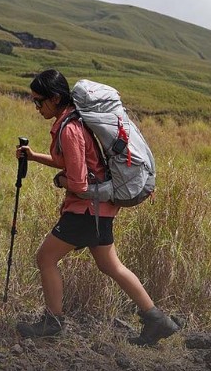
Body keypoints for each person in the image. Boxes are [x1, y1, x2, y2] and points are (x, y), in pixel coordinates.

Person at [15, 69, 179, 345]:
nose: (36, 107)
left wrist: (59, 181)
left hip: (85, 210)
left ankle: (53, 322)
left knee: (45, 258)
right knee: (110, 265)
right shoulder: (73, 122)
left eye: (38, 101)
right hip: (100, 210)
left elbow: (78, 182)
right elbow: (70, 162)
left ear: (55, 98)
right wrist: (34, 157)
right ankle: (156, 319)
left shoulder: (69, 128)